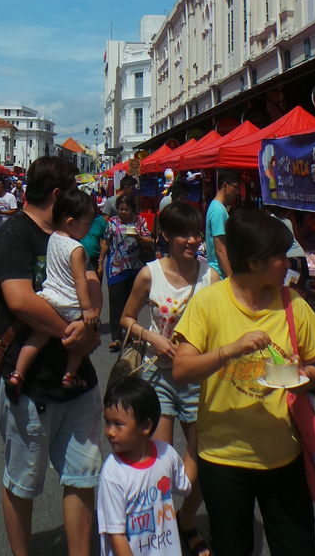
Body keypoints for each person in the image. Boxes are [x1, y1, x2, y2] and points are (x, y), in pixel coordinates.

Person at [173, 207, 315, 556]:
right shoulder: (209, 303)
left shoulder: (292, 304)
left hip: (285, 456)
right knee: (232, 548)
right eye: (280, 256)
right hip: (223, 458)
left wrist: (304, 376)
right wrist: (230, 350)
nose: (288, 264)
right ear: (256, 261)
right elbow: (181, 369)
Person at [0, 156, 103, 556]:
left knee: (82, 475)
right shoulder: (14, 234)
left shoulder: (72, 235)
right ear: (58, 195)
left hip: (77, 380)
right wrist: (76, 334)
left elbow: (92, 280)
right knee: (22, 482)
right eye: (72, 189)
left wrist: (90, 321)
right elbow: (19, 300)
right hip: (32, 383)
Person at [121, 203, 217, 556]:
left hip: (196, 377)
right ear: (166, 236)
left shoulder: (210, 276)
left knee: (202, 458)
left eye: (196, 234)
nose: (192, 240)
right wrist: (153, 337)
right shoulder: (150, 274)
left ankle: (186, 519)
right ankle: (160, 537)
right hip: (157, 376)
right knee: (159, 462)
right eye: (183, 234)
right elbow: (126, 318)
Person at [4, 188, 100, 398]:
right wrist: (87, 310)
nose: (89, 229)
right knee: (78, 343)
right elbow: (80, 281)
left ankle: (18, 374)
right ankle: (69, 375)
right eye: (88, 224)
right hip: (70, 303)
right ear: (71, 222)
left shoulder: (54, 237)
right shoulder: (76, 249)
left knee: (37, 338)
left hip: (49, 298)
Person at [98, 377, 191, 556]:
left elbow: (185, 485)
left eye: (118, 424)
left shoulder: (166, 455)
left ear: (146, 426)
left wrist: (194, 445)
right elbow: (116, 535)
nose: (109, 432)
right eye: (107, 422)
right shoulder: (112, 472)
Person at [98, 193, 150, 351]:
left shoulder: (140, 221)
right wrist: (100, 261)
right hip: (116, 267)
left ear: (132, 210)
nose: (123, 212)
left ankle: (130, 333)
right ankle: (116, 337)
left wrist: (139, 237)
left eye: (126, 209)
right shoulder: (112, 222)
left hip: (135, 267)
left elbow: (149, 240)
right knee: (116, 302)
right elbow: (106, 242)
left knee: (132, 303)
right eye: (120, 209)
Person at [204, 172, 239, 278]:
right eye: (235, 188)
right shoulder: (218, 210)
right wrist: (230, 278)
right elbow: (220, 250)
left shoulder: (217, 207)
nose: (237, 192)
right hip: (220, 274)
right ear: (225, 186)